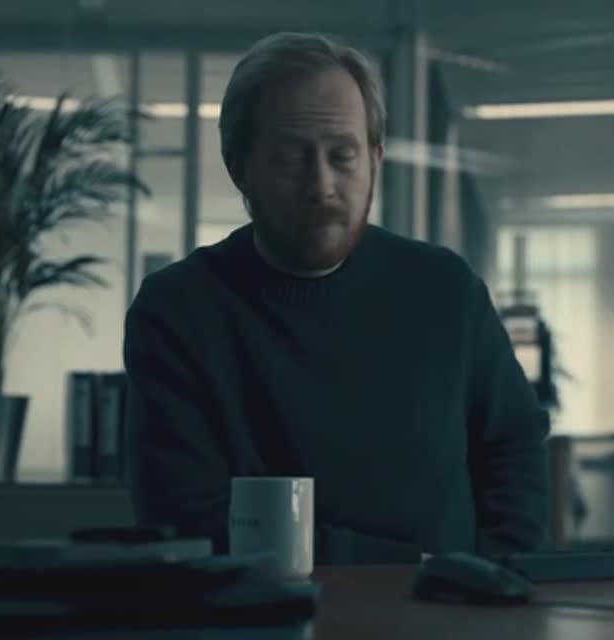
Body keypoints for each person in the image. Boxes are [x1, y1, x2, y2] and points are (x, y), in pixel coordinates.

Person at [124, 32, 549, 563]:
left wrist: (491, 577)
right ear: (239, 167)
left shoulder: (447, 291)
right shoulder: (178, 312)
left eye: (342, 156)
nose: (321, 184)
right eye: (290, 157)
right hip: (271, 609)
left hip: (451, 606)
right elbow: (188, 519)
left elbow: (516, 452)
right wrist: (411, 570)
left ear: (375, 160)